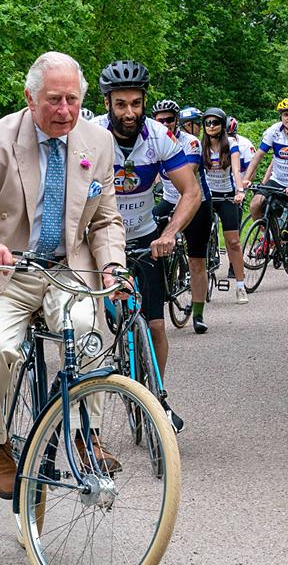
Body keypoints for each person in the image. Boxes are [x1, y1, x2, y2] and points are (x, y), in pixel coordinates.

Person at [0, 51, 126, 501]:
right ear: (30, 97)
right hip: (6, 271)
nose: (65, 111)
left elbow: (104, 221)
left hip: (68, 268)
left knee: (86, 330)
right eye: (54, 100)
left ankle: (86, 434)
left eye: (73, 100)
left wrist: (114, 266)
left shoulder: (97, 143)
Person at [93, 64, 200, 398]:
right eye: (121, 104)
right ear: (108, 102)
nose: (129, 112)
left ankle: (157, 397)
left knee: (155, 326)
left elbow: (191, 191)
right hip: (99, 240)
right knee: (89, 325)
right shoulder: (89, 134)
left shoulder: (158, 136)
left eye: (136, 103)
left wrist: (168, 233)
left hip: (144, 237)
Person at [150, 99, 213, 333]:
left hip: (197, 202)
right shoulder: (152, 140)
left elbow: (188, 173)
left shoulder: (191, 142)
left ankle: (197, 313)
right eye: (160, 120)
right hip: (169, 199)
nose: (165, 123)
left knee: (197, 260)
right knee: (147, 246)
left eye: (169, 119)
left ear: (177, 121)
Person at [242, 97, 288, 288]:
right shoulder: (273, 131)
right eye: (286, 114)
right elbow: (258, 156)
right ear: (281, 116)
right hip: (278, 179)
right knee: (255, 204)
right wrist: (246, 179)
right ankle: (268, 238)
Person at [197, 107, 249, 302]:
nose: (211, 126)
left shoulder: (232, 144)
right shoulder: (200, 146)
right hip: (207, 194)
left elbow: (236, 171)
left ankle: (240, 285)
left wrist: (240, 191)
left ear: (222, 125)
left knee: (233, 242)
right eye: (208, 123)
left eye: (215, 123)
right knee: (197, 238)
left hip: (227, 195)